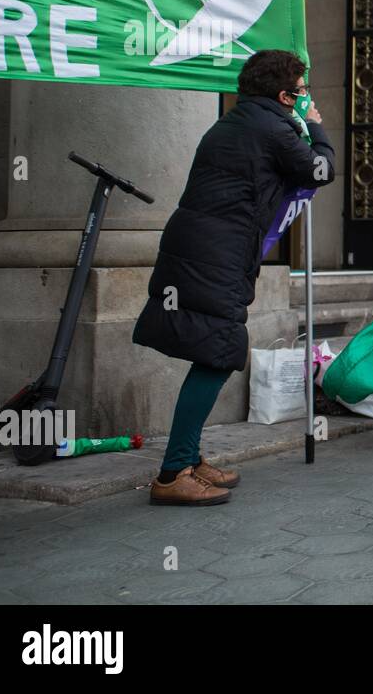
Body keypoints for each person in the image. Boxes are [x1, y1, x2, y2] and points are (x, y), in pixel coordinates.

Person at [133, 51, 336, 505]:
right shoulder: (272, 127)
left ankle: (189, 458)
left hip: (206, 248)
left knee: (213, 348)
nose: (305, 97)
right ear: (285, 96)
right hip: (214, 253)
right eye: (301, 91)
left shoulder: (239, 120)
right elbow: (321, 170)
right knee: (217, 352)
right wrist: (317, 127)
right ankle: (171, 475)